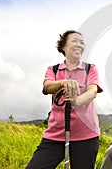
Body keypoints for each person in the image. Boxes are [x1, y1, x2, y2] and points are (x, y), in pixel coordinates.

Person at [26, 30, 103, 169]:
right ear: (63, 46)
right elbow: (47, 87)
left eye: (82, 42)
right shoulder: (53, 70)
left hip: (86, 136)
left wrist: (77, 101)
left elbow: (93, 91)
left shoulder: (90, 68)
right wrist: (62, 82)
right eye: (74, 41)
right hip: (55, 135)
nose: (79, 44)